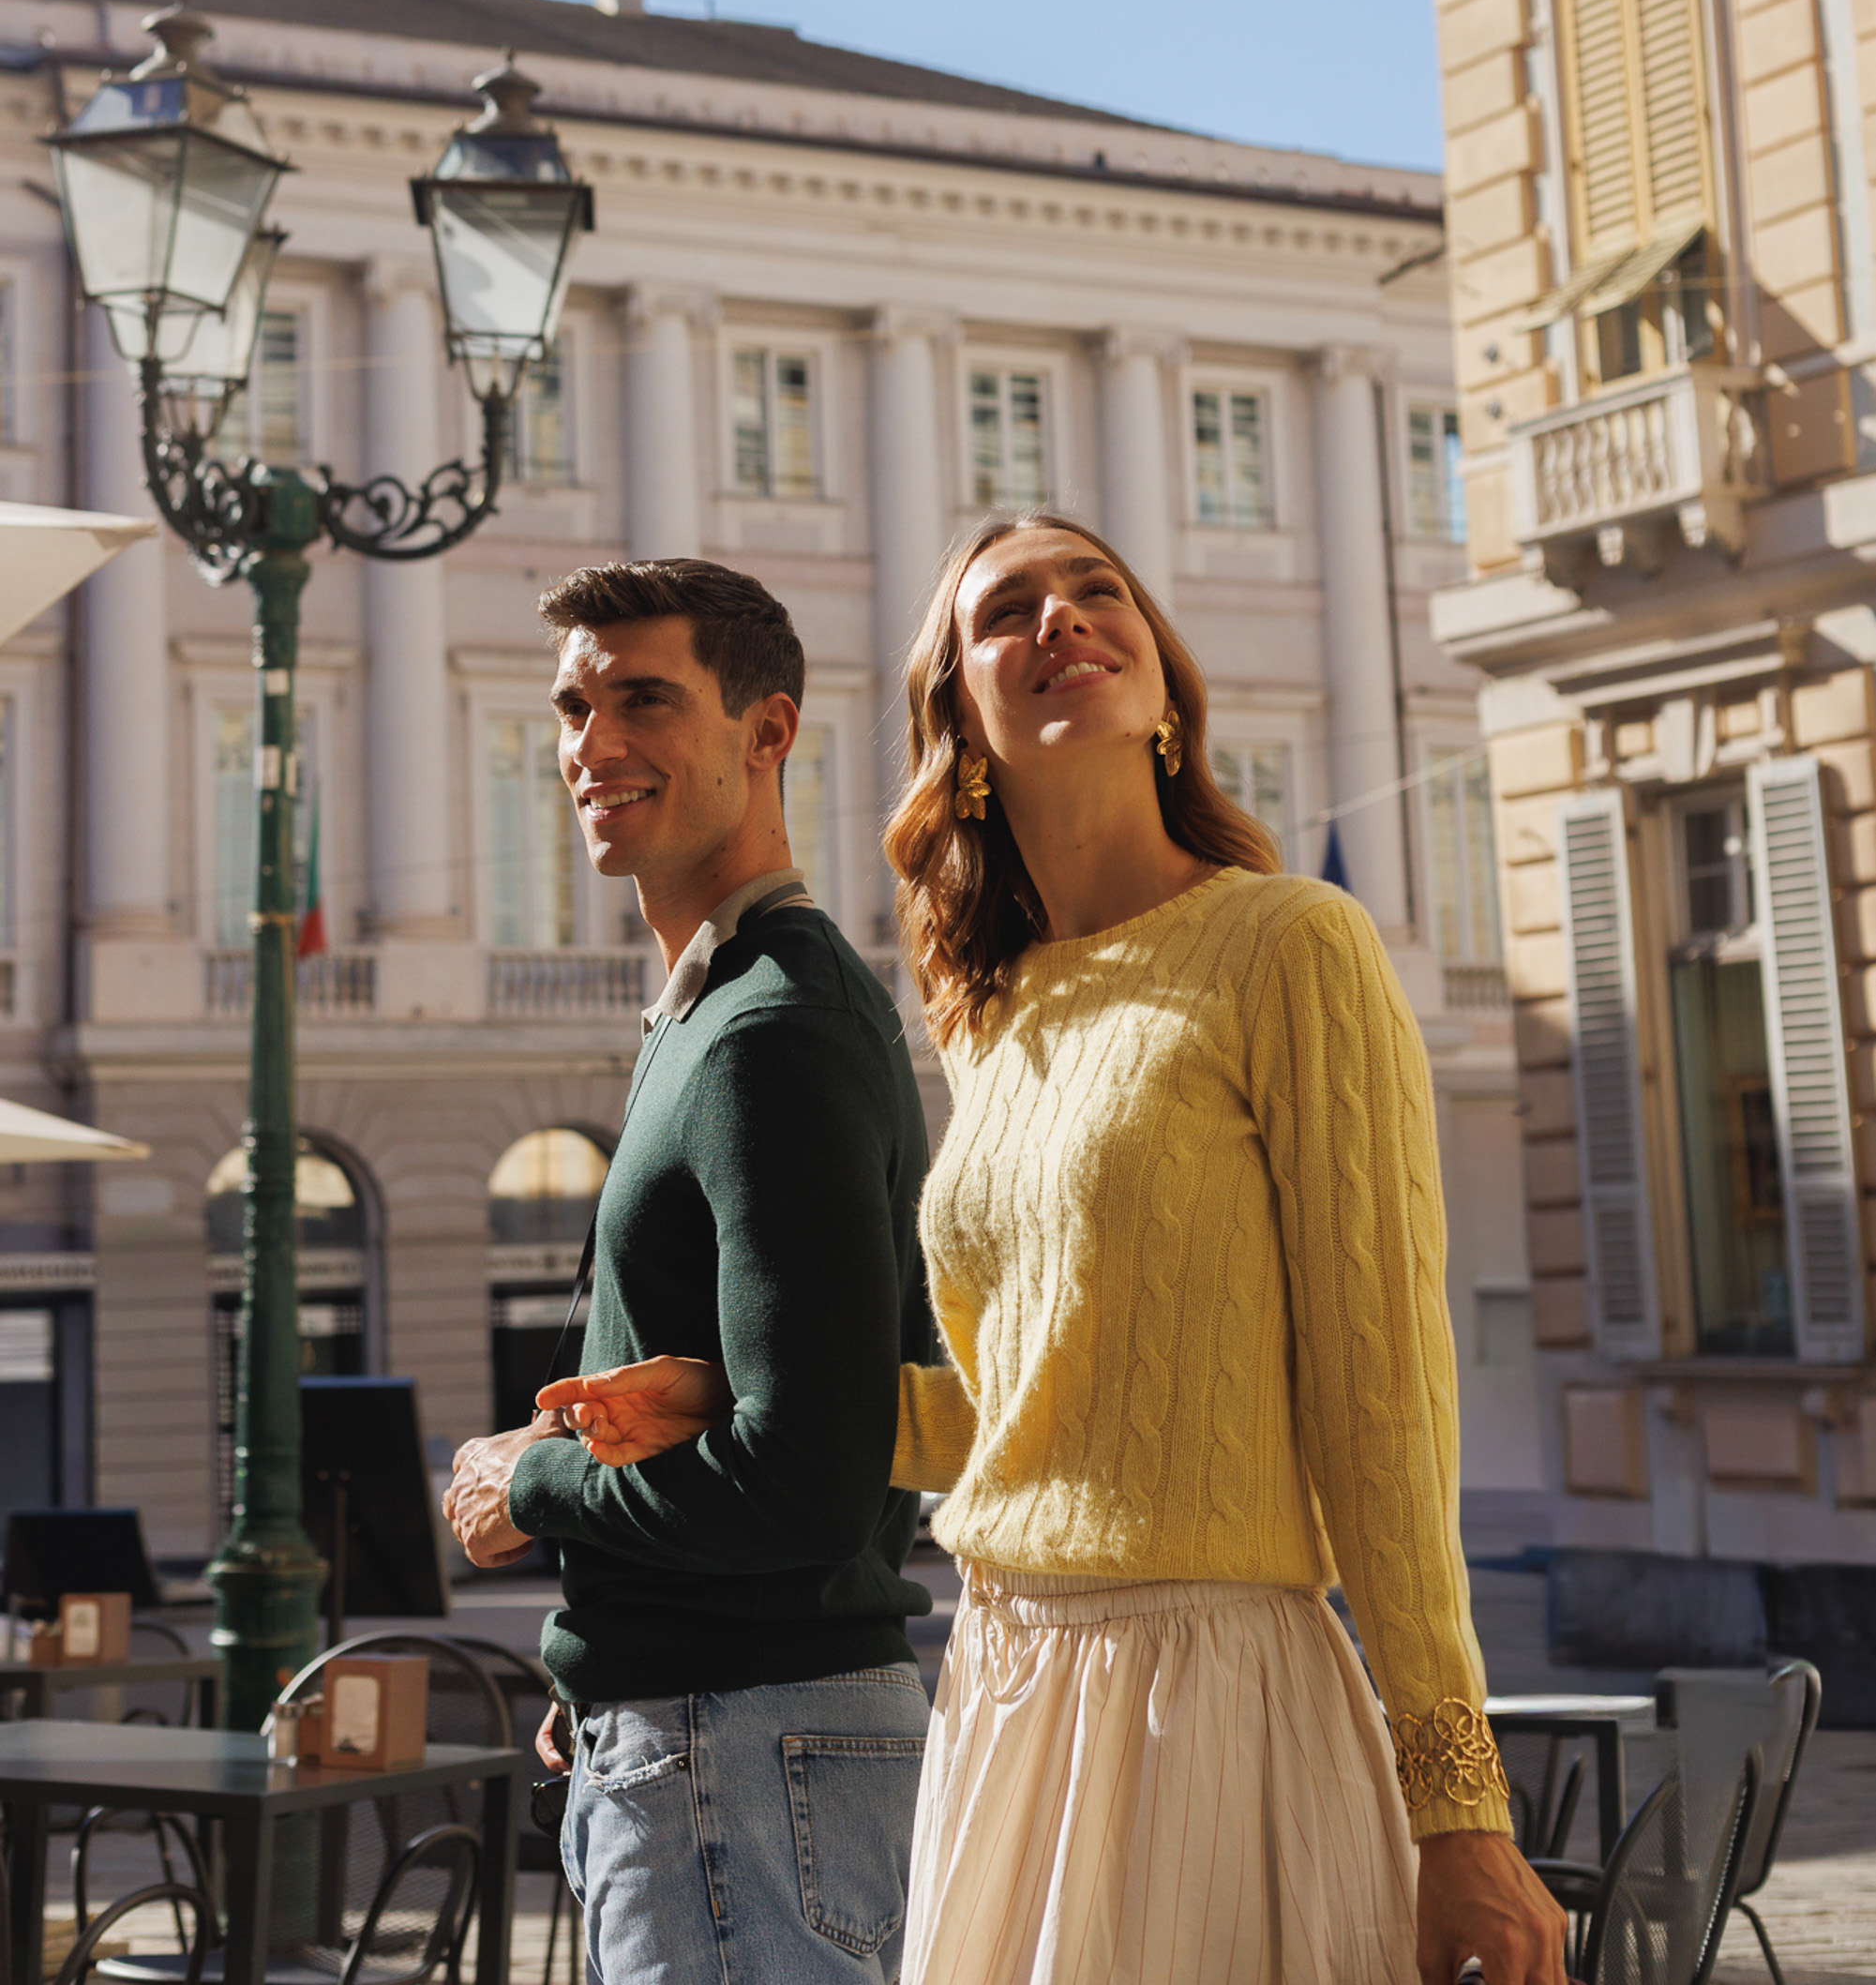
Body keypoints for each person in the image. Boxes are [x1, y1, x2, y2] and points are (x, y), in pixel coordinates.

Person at [876, 510, 1566, 1985]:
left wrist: (1457, 1804)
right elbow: (1025, 1416)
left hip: (1208, 1682)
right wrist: (725, 1404)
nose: (1060, 618)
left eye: (1095, 590)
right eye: (1008, 610)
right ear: (962, 721)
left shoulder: (1290, 943)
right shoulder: (987, 1015)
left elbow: (1382, 1398)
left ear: (1165, 693)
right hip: (999, 1686)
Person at [441, 558, 936, 1985]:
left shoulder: (766, 1028)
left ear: (767, 731)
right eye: (571, 707)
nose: (590, 745)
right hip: (722, 1741)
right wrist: (609, 1655)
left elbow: (809, 1476)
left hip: (746, 1752)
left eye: (643, 699)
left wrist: (525, 1482)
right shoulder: (719, 1015)